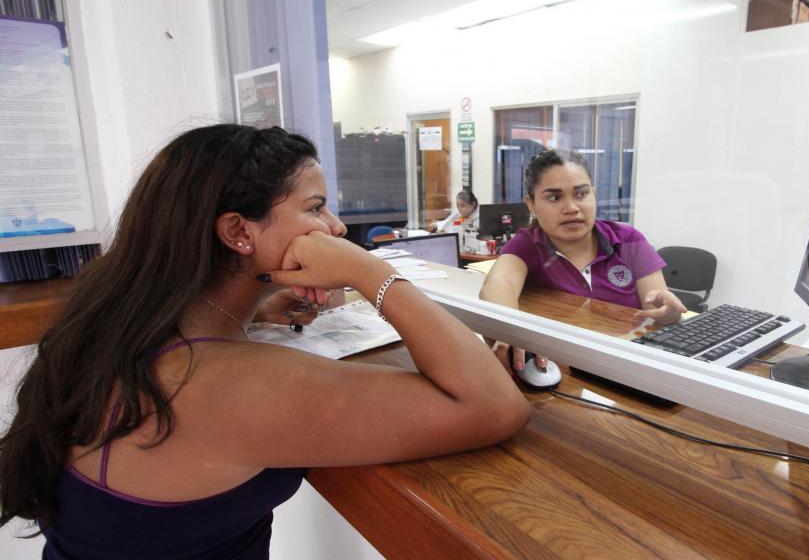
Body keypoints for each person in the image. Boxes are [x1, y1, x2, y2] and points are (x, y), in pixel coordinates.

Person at [0, 125, 531, 559]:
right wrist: (369, 272)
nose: (335, 226)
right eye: (315, 208)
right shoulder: (224, 384)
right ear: (238, 232)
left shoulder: (114, 325)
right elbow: (492, 406)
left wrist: (253, 308)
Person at [479, 148, 687, 372]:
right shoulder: (527, 244)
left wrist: (669, 315)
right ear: (531, 203)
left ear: (593, 194)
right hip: (566, 369)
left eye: (581, 194)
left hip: (631, 367)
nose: (572, 208)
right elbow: (498, 285)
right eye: (554, 197)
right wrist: (512, 329)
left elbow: (656, 311)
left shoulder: (628, 240)